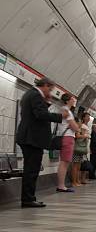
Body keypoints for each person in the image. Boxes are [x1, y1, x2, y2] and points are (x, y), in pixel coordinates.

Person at [16, 77, 64, 207]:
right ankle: (28, 199)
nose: (50, 92)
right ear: (45, 85)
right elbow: (40, 115)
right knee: (31, 170)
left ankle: (29, 198)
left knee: (31, 169)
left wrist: (46, 102)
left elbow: (35, 113)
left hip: (29, 138)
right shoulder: (35, 95)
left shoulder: (30, 94)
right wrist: (61, 116)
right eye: (50, 89)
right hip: (31, 139)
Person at [54, 94, 79, 192]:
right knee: (64, 162)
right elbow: (75, 127)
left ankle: (61, 185)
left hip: (66, 137)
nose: (74, 100)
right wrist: (77, 126)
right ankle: (61, 186)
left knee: (65, 161)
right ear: (67, 100)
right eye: (72, 99)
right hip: (67, 137)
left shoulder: (66, 110)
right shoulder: (66, 111)